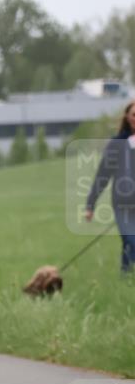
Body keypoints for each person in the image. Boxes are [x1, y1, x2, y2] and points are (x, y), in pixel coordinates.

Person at [86, 100, 135, 275]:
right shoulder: (116, 144)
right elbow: (103, 175)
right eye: (134, 115)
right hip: (122, 203)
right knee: (131, 239)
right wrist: (90, 205)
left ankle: (126, 276)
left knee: (129, 243)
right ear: (128, 118)